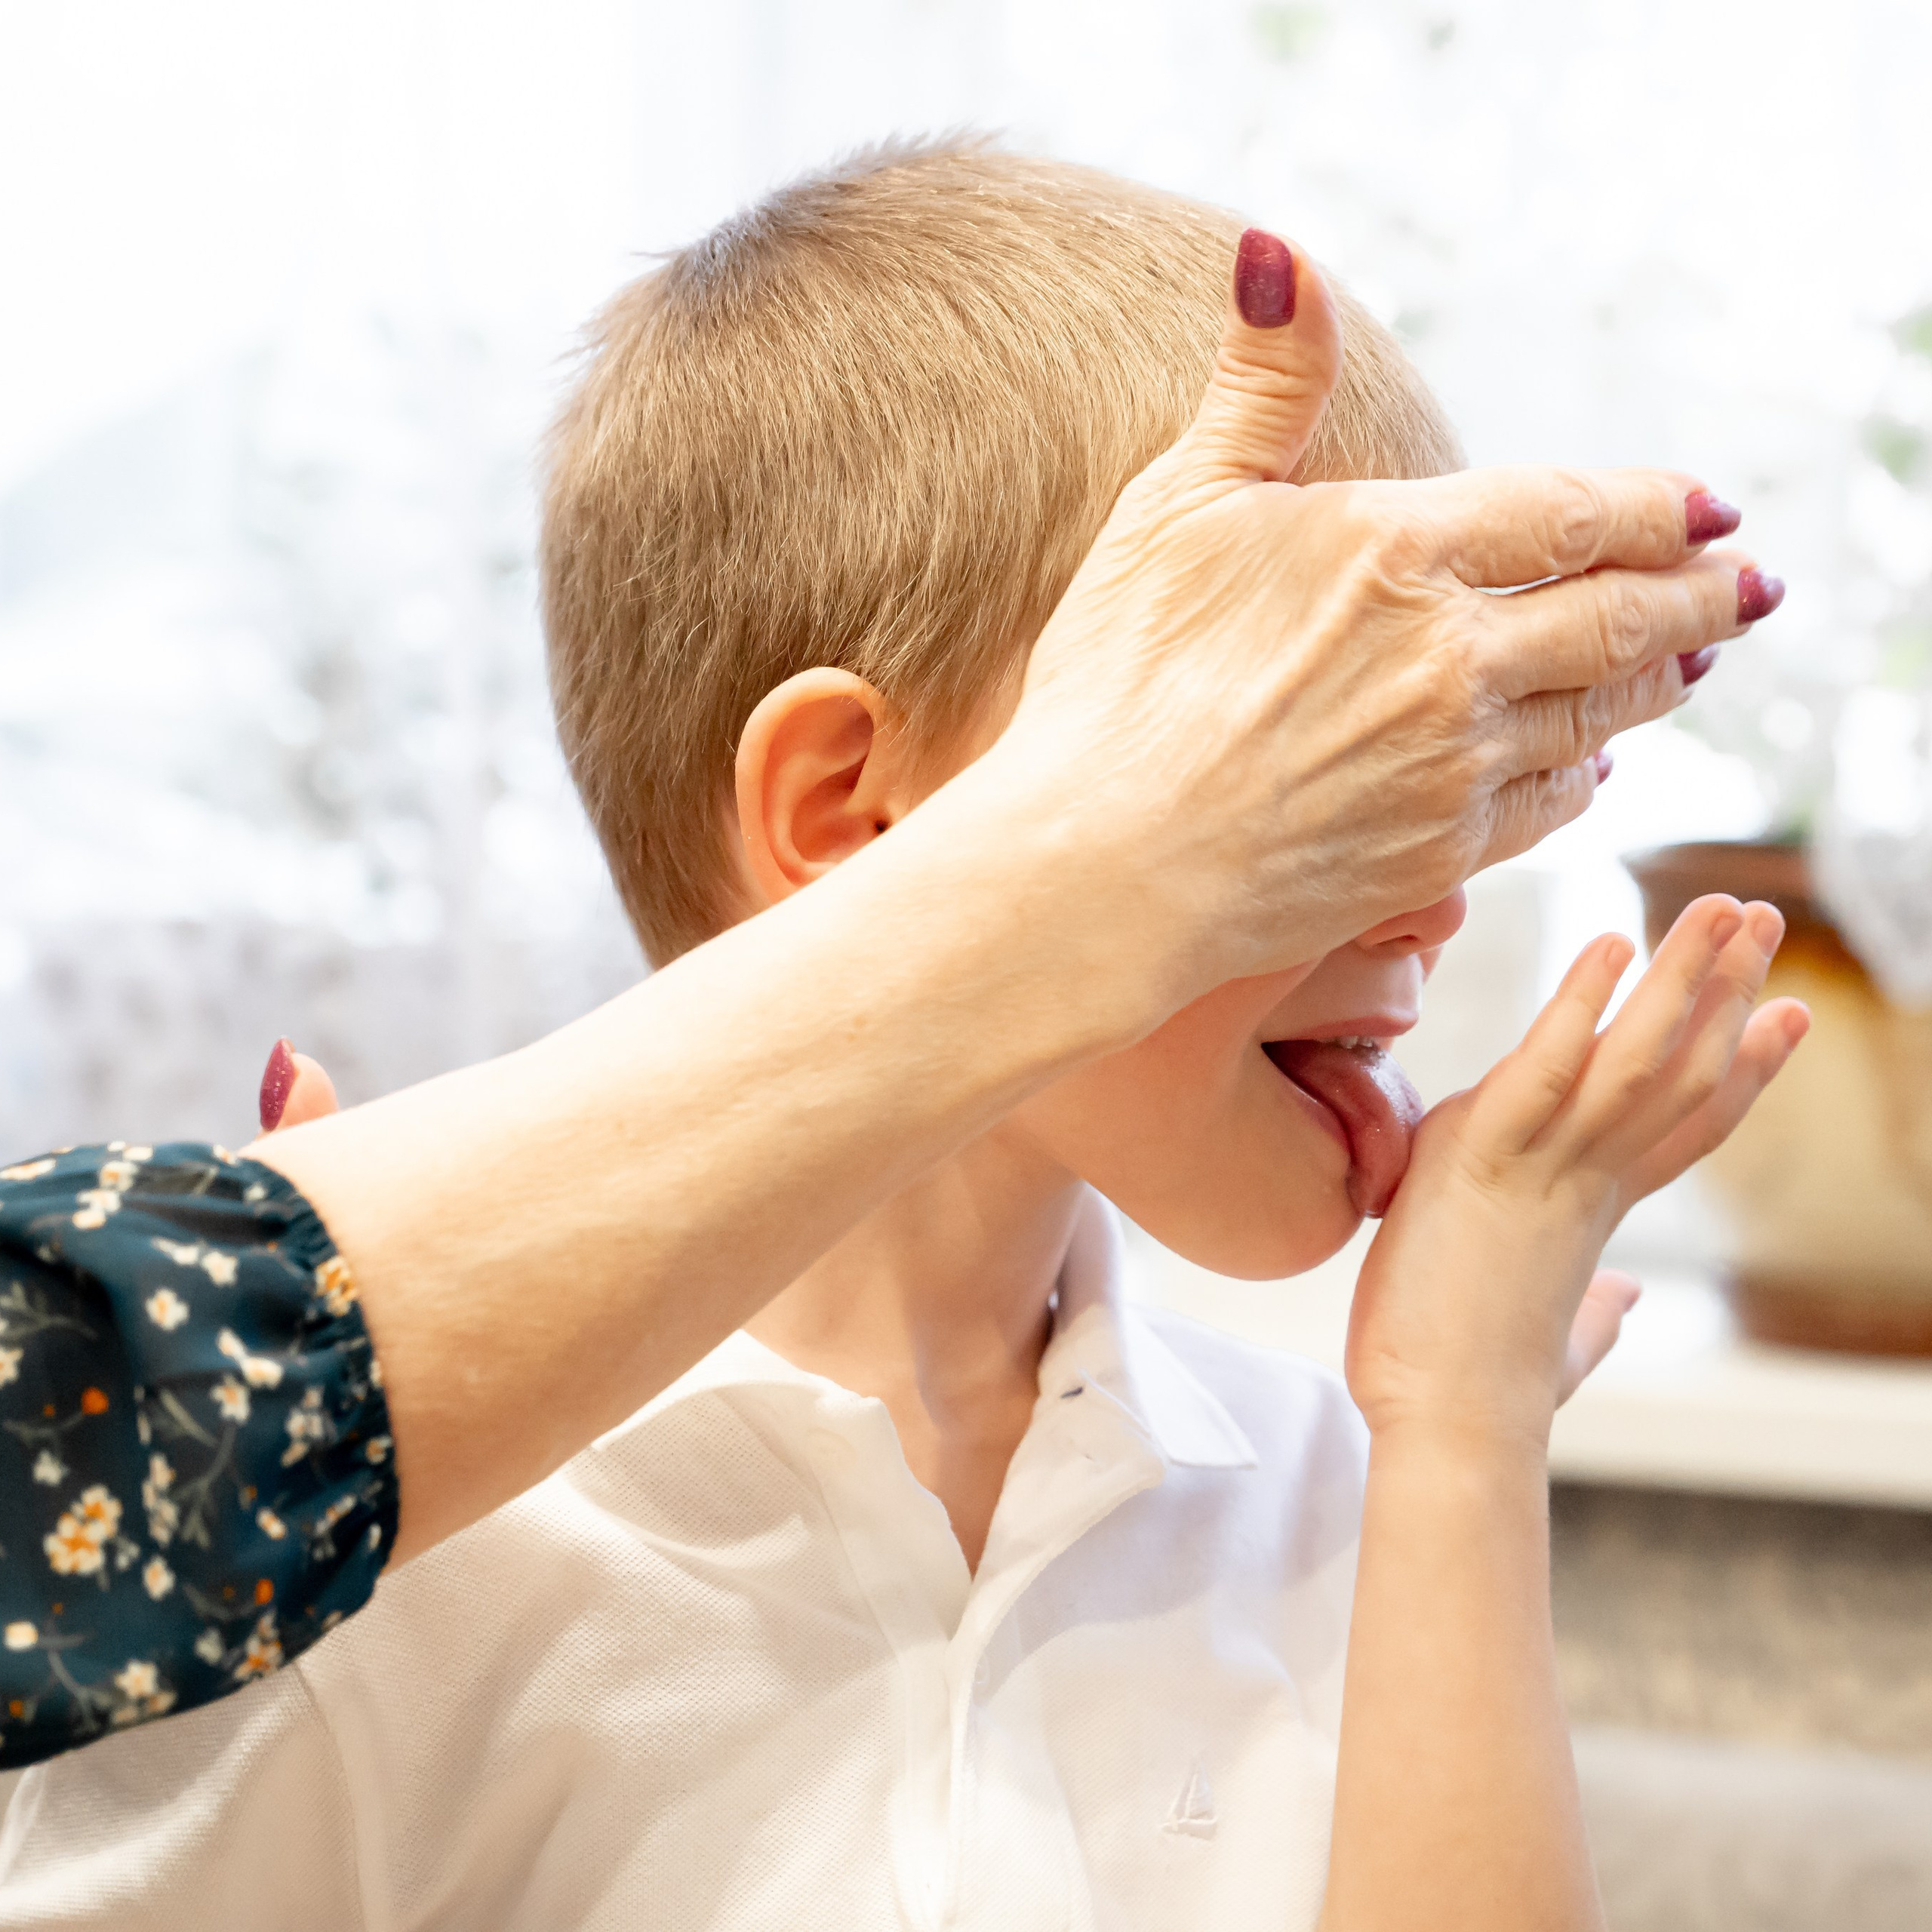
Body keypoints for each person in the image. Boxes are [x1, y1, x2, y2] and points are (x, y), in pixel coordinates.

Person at [0, 143, 1801, 1930]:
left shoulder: (1338, 1475)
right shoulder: (359, 1544)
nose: (1430, 906)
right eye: (1308, 762)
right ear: (853, 812)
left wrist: (1464, 1435)